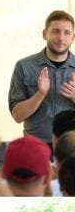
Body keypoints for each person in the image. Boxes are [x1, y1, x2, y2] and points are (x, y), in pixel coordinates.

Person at [9, 10, 75, 144]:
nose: (61, 38)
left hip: (71, 149)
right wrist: (40, 94)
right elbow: (17, 116)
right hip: (35, 146)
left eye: (67, 32)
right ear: (45, 34)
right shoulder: (24, 66)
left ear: (73, 37)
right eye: (55, 31)